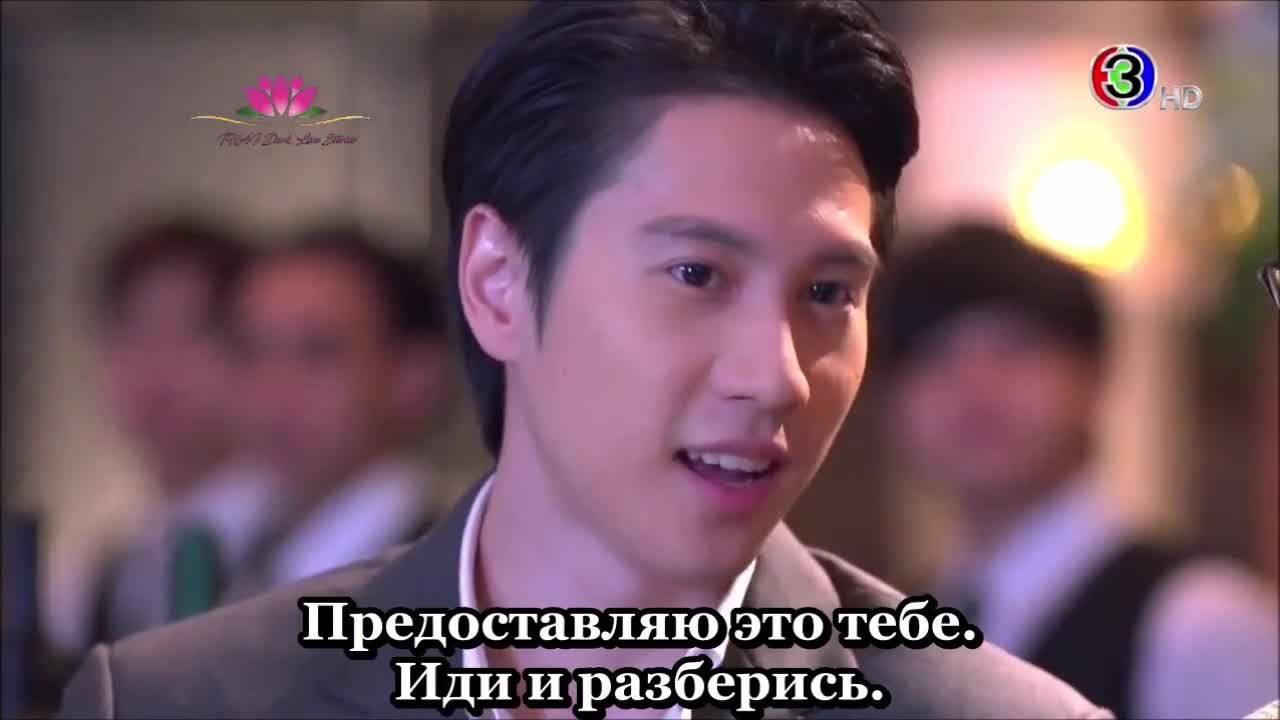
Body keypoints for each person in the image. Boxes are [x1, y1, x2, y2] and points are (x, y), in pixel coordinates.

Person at [59, 3, 1110, 718]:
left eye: (828, 294)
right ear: (497, 283)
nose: (778, 375)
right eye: (697, 274)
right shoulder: (178, 699)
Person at [877, 222, 1279, 719]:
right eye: (935, 355)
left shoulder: (1202, 619)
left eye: (1016, 347)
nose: (975, 388)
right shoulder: (901, 622)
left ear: (1094, 375)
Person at [78, 215, 278, 647]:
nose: (156, 362)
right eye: (132, 329)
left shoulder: (300, 550)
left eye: (193, 331)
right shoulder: (109, 568)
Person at [222, 224, 449, 598]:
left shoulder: (449, 577)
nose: (272, 389)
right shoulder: (233, 561)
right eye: (250, 352)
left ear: (415, 374)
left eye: (317, 351)